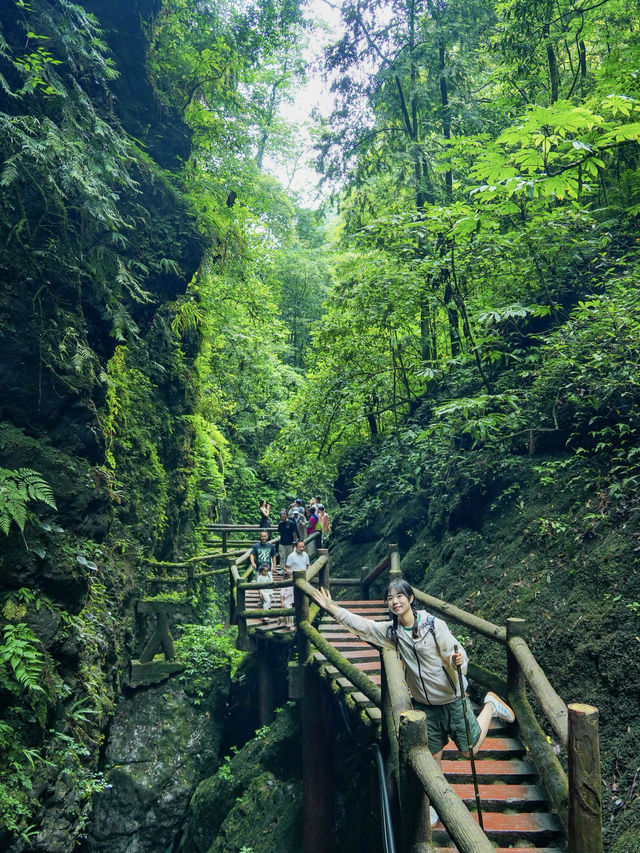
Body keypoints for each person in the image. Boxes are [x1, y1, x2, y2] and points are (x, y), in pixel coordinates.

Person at [312, 578, 515, 827]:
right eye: (390, 598)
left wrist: (457, 660)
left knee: (469, 750)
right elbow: (362, 626)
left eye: (399, 596)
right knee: (431, 758)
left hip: (452, 699)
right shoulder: (393, 632)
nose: (394, 601)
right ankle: (435, 804)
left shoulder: (433, 626)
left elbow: (456, 654)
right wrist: (331, 608)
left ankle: (491, 706)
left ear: (410, 599)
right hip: (423, 705)